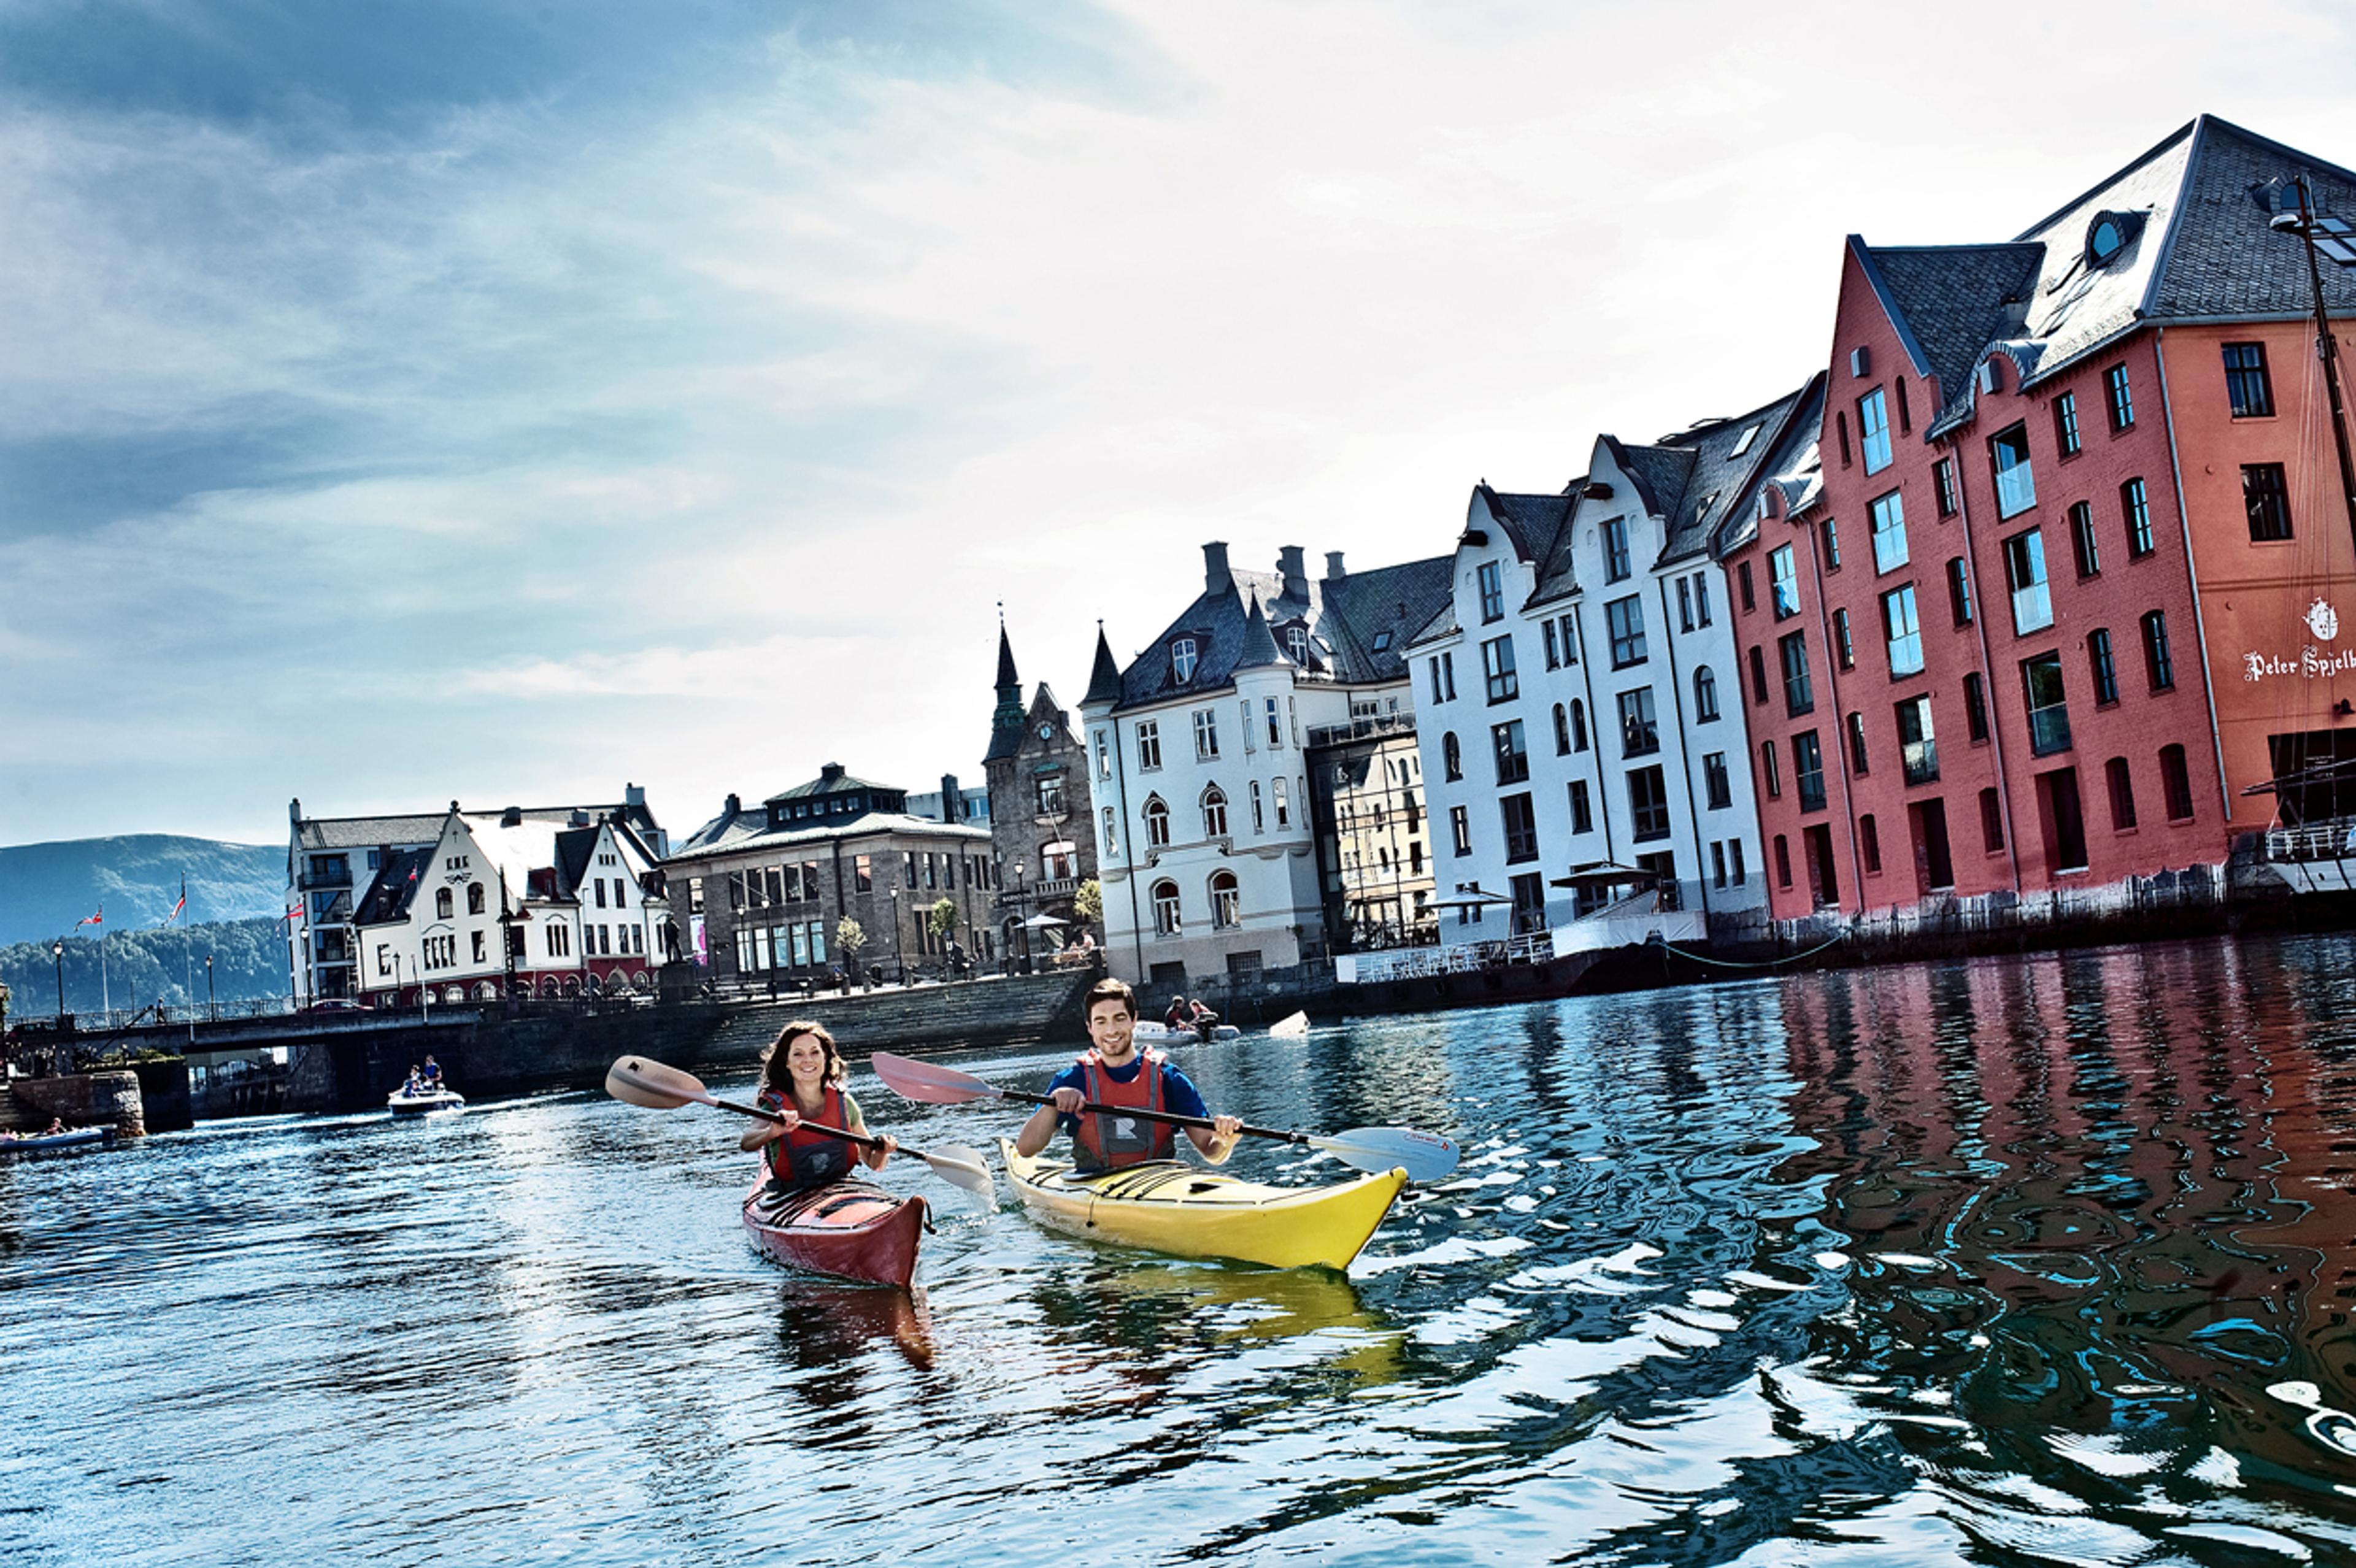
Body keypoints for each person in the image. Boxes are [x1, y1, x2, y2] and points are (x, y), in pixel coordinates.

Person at [1015, 978, 1241, 1173]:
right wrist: (1053, 1104)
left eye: (1119, 1018)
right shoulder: (1071, 1081)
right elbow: (1026, 1149)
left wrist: (1225, 1139)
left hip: (1158, 1186)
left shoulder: (1170, 1079)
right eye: (1101, 1022)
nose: (1111, 1030)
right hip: (1094, 1185)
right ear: (1090, 1028)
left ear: (1134, 1020)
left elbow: (1211, 1152)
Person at [739, 1021, 896, 1191]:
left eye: (815, 1052)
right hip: (791, 1193)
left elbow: (874, 1164)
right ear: (787, 1062)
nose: (808, 1060)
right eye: (798, 1054)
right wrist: (772, 1132)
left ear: (825, 1057)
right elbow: (747, 1142)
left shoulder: (845, 1104)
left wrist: (883, 1152)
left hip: (841, 1188)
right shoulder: (774, 1108)